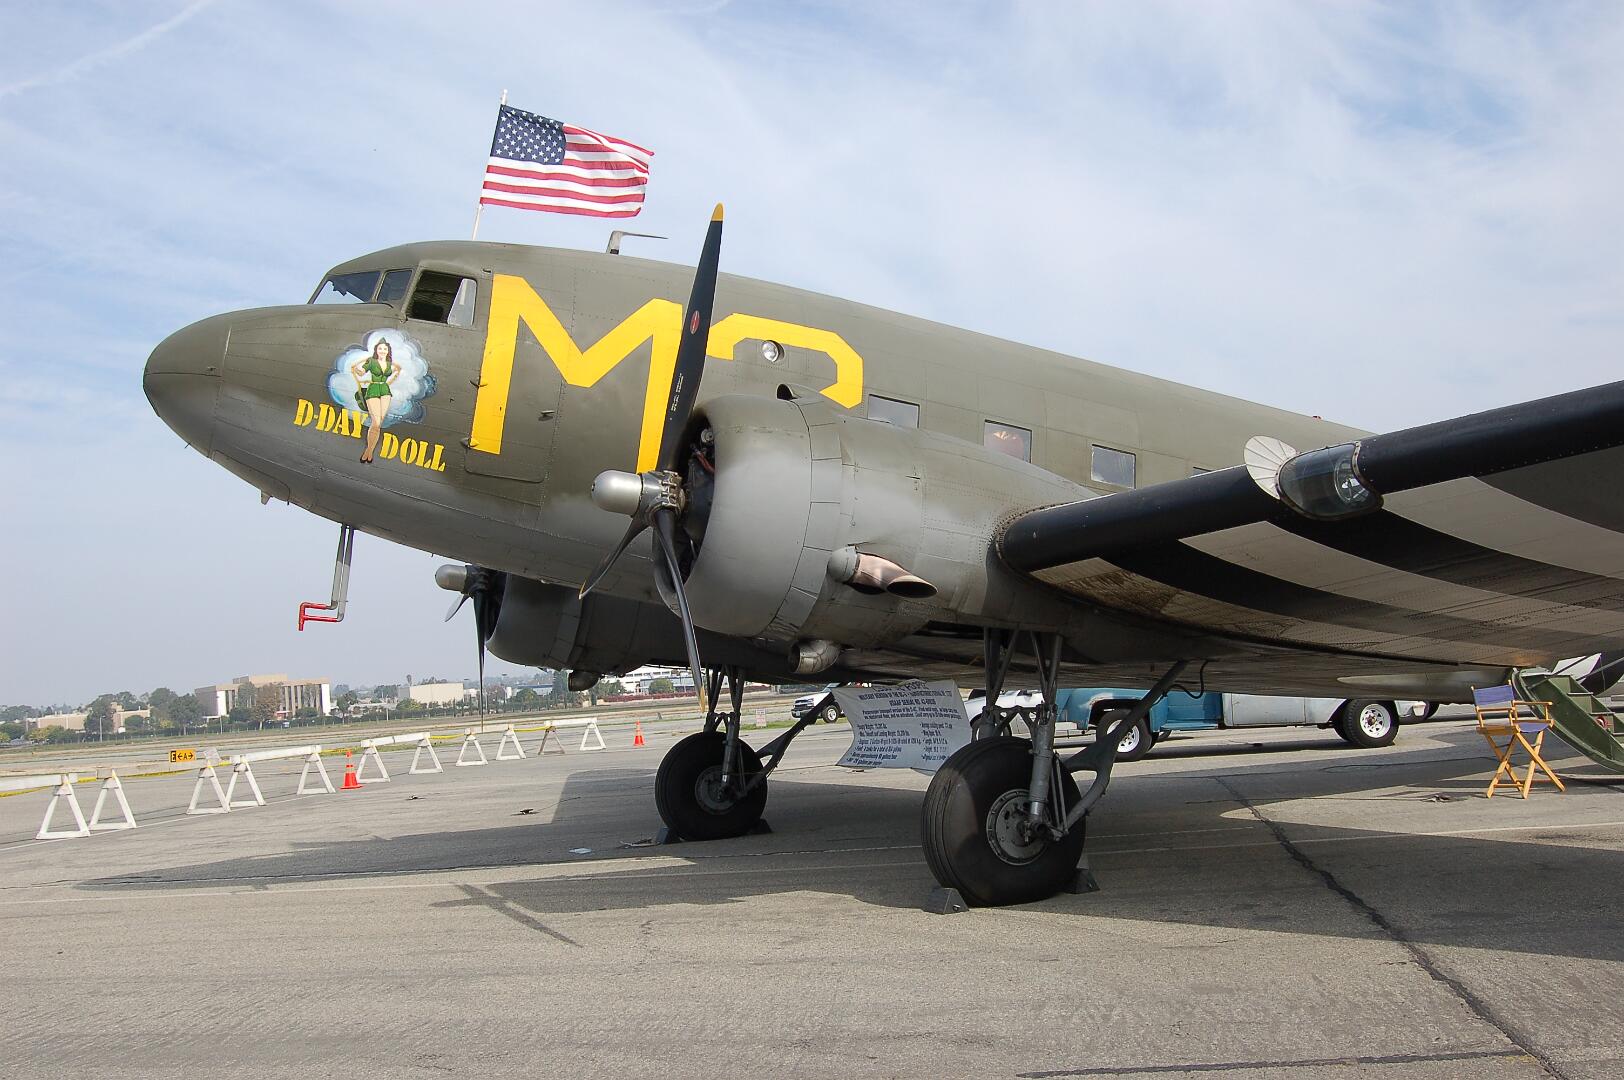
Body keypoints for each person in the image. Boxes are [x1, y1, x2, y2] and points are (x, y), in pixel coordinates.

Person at [350, 339, 399, 463]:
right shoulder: (371, 361)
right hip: (373, 390)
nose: (382, 351)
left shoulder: (389, 364)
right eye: (380, 348)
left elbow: (397, 369)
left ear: (388, 351)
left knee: (379, 423)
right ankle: (369, 451)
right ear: (376, 350)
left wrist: (394, 376)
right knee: (376, 423)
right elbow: (361, 373)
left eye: (385, 349)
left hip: (385, 390)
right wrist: (356, 369)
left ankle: (369, 451)